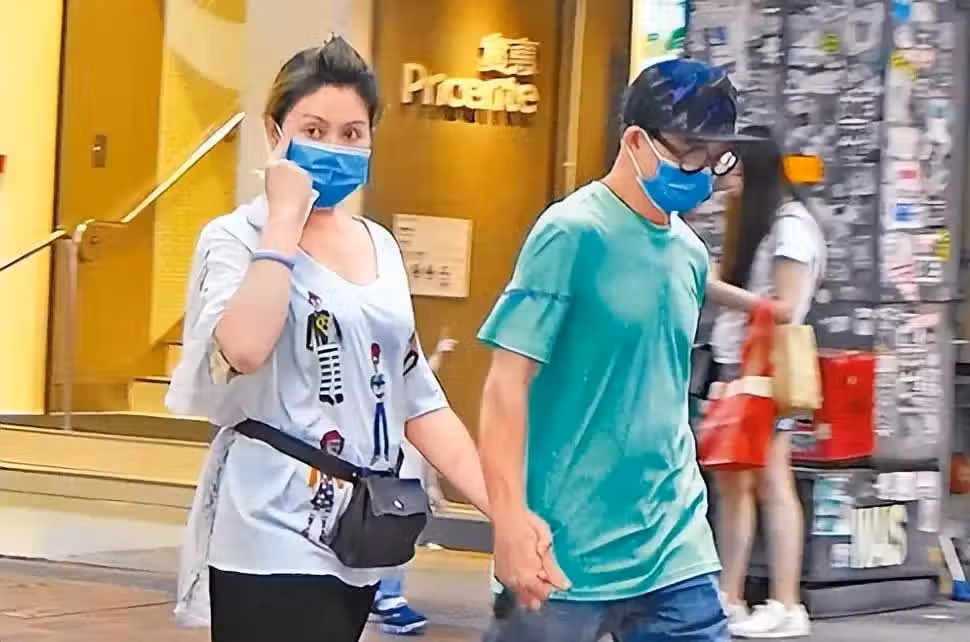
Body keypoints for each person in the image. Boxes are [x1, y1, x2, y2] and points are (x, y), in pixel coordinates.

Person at [165, 36, 490, 642]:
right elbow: (244, 348)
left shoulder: (379, 246)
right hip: (269, 528)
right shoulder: (237, 237)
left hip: (360, 531)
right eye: (313, 130)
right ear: (275, 133)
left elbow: (416, 395)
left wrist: (502, 508)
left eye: (352, 134)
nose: (334, 148)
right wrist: (284, 221)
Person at [477, 58, 764, 642]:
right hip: (565, 547)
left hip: (674, 539)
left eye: (717, 159)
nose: (704, 174)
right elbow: (506, 382)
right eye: (692, 153)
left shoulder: (689, 252)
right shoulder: (570, 232)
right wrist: (508, 519)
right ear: (636, 141)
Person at [710, 126, 826, 639]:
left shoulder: (791, 228)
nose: (725, 180)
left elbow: (784, 307)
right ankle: (730, 596)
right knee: (737, 481)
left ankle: (786, 601)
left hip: (767, 370)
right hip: (743, 368)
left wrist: (714, 288)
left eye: (731, 167)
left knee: (771, 480)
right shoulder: (765, 224)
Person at [371, 332, 456, 636]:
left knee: (398, 535)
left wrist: (433, 485)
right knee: (388, 533)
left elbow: (427, 432)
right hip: (385, 476)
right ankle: (386, 596)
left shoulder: (410, 388)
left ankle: (383, 593)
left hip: (406, 479)